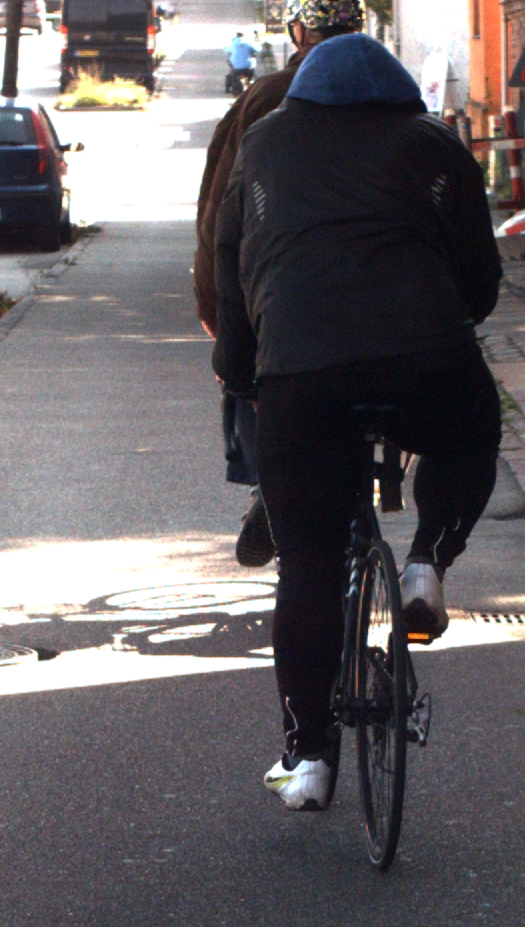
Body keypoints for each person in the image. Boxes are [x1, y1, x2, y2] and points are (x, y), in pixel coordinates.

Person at [213, 33, 503, 811]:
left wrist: (240, 373)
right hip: (423, 361)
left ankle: (308, 758)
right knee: (471, 428)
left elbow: (231, 261)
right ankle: (427, 564)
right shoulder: (437, 145)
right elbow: (480, 281)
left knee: (307, 564)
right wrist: (444, 316)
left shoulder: (263, 144)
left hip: (301, 375)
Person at [194, 0, 364, 570]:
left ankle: (267, 482)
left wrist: (214, 305)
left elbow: (222, 212)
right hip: (386, 291)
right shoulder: (395, 91)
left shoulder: (267, 96)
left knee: (247, 363)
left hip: (282, 291)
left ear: (297, 31)